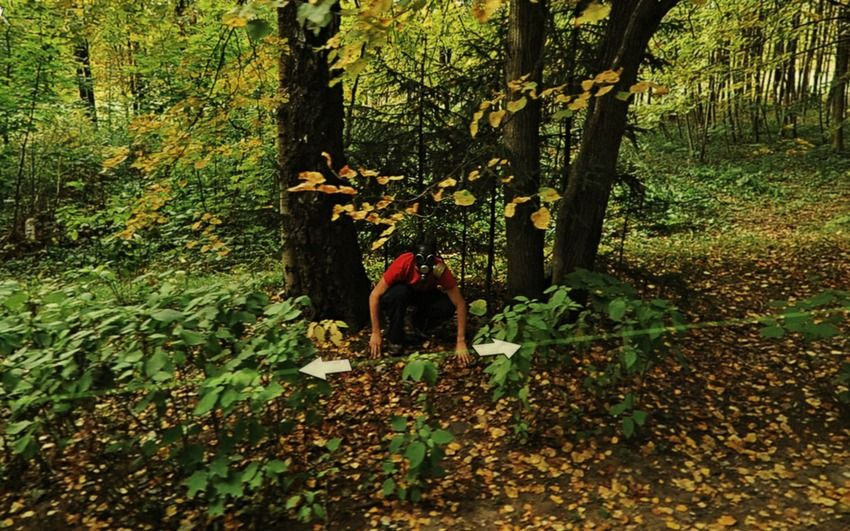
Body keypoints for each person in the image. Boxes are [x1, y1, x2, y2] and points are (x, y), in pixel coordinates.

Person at [368, 240, 471, 364]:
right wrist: (375, 332)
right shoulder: (404, 263)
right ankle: (395, 338)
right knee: (399, 293)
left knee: (446, 305)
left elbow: (460, 303)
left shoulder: (439, 268)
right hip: (402, 294)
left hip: (425, 295)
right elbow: (374, 295)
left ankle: (418, 326)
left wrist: (461, 341)